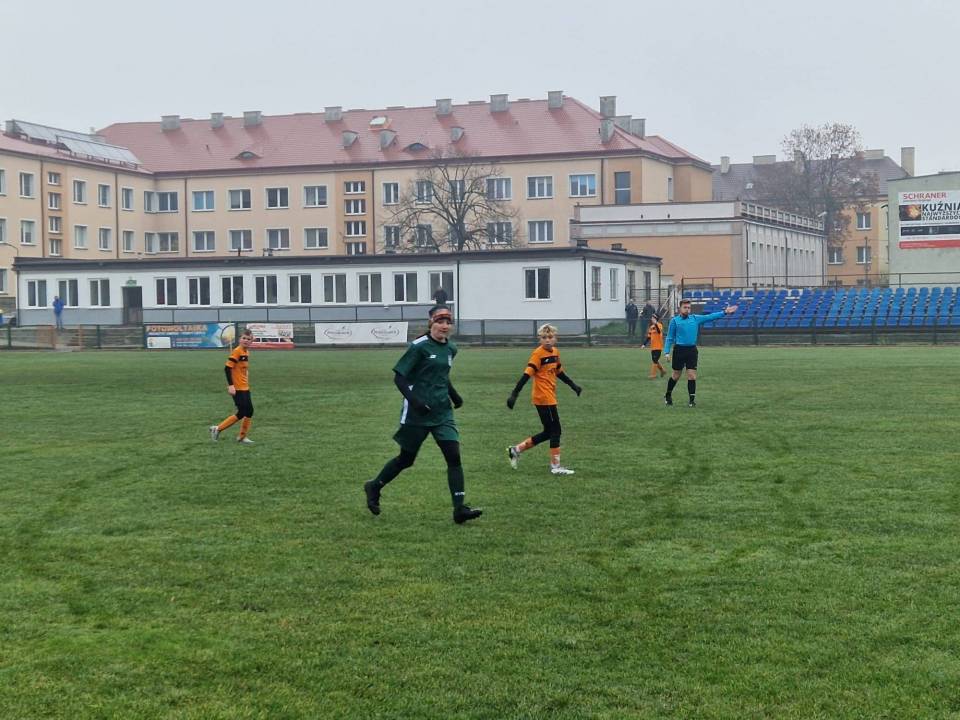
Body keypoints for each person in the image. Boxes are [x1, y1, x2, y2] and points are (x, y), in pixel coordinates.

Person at [364, 305, 481, 524]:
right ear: (431, 323)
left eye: (448, 322)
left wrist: (454, 396)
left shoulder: (451, 349)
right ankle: (374, 486)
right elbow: (399, 377)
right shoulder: (419, 347)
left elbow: (442, 375)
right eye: (440, 321)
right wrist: (415, 402)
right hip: (417, 414)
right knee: (406, 459)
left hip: (442, 412)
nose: (444, 326)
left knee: (453, 456)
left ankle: (459, 509)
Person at [505, 324, 582, 475]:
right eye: (544, 337)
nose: (547, 340)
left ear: (555, 338)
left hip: (548, 396)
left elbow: (559, 372)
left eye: (550, 337)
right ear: (539, 339)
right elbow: (526, 375)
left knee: (548, 432)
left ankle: (516, 450)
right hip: (543, 397)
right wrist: (514, 394)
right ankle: (555, 467)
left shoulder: (555, 352)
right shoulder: (537, 355)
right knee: (556, 430)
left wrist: (573, 385)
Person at [662, 299, 737, 407]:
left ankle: (691, 401)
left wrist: (725, 312)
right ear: (680, 308)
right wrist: (667, 352)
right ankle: (668, 395)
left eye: (689, 308)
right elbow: (669, 337)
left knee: (692, 376)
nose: (687, 309)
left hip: (691, 351)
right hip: (679, 350)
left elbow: (710, 317)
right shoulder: (675, 321)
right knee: (676, 375)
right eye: (685, 307)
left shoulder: (695, 318)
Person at [209, 328, 256, 444]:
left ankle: (242, 437)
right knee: (242, 412)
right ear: (239, 339)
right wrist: (231, 386)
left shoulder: (246, 352)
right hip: (237, 387)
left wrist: (246, 374)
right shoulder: (237, 351)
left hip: (245, 386)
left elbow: (241, 368)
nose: (246, 340)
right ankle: (218, 429)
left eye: (248, 339)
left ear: (251, 341)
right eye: (244, 338)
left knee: (249, 411)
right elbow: (227, 368)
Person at [641, 313, 666, 379]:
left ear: (656, 319)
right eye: (652, 318)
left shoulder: (659, 325)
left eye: (653, 318)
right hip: (653, 346)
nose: (651, 319)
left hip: (658, 346)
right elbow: (649, 337)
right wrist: (644, 344)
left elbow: (659, 331)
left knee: (655, 360)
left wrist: (656, 323)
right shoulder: (651, 327)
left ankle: (653, 375)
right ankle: (662, 370)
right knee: (655, 360)